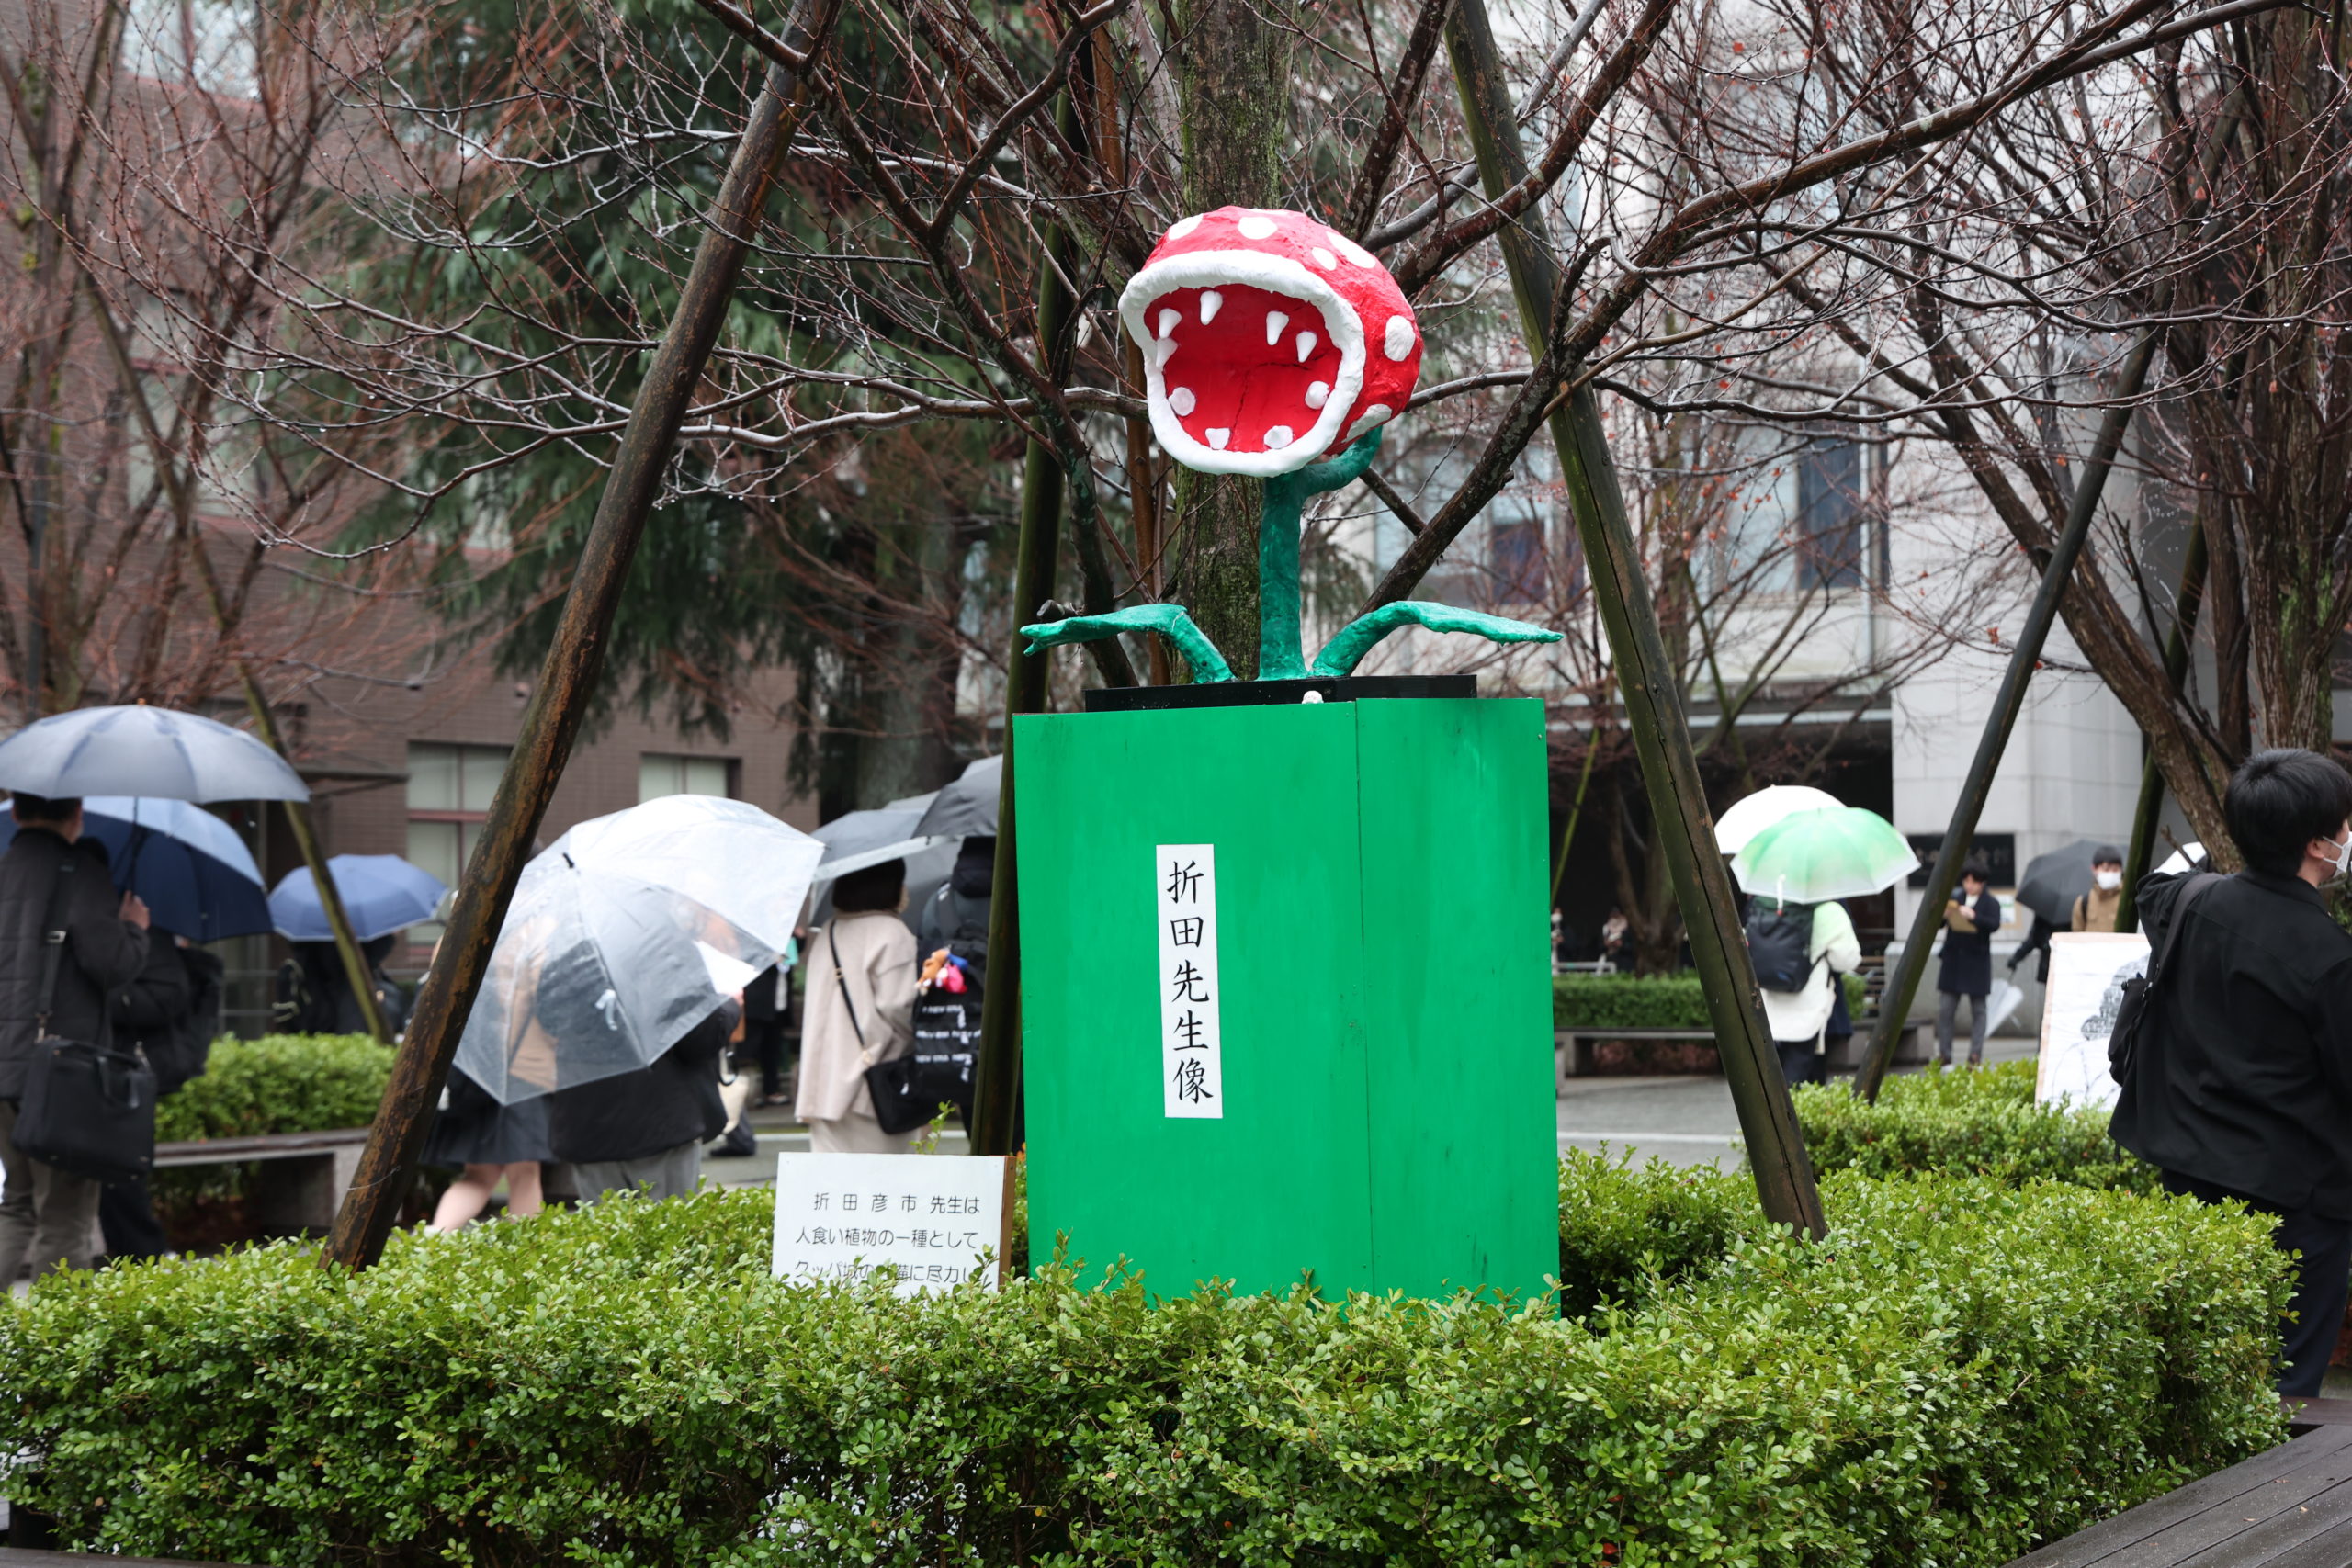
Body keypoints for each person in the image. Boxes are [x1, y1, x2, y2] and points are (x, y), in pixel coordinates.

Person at [2112, 749, 2352, 1398]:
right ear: (2317, 843)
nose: (2348, 836)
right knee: (2285, 1381)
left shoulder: (2190, 904)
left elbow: (2150, 890)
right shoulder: (2327, 957)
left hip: (2188, 1173)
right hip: (2296, 1199)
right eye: (2344, 825)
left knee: (2198, 1373)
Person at [0, 793, 150, 1281]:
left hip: (4, 1069)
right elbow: (112, 967)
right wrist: (134, 930)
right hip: (60, 1072)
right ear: (77, 815)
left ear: (16, 812)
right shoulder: (81, 872)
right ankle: (54, 1352)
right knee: (65, 1215)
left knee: (16, 1205)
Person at [547, 996, 738, 1203]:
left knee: (605, 1229)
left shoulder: (566, 966)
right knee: (669, 1226)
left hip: (587, 1118)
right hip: (660, 1119)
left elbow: (550, 1021)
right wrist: (731, 1005)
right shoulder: (665, 964)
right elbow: (700, 1039)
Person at [100, 929, 219, 1260]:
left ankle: (145, 1252)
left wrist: (100, 997)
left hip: (125, 1071)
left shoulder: (153, 940)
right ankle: (136, 1252)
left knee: (124, 1166)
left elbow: (167, 997)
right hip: (93, 1067)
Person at [797, 858, 919, 1154]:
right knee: (886, 1190)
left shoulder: (829, 930)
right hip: (875, 1087)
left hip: (823, 1086)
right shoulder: (892, 933)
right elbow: (900, 1007)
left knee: (833, 1191)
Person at [422, 1066, 550, 1230]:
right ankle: (528, 1246)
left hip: (477, 1086)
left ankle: (437, 1235)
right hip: (517, 1086)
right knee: (524, 1174)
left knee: (479, 1177)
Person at [1753, 897, 1861, 1088]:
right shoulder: (1829, 911)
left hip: (1770, 1008)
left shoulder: (1767, 905)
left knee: (1772, 1078)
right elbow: (1847, 960)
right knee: (1800, 1079)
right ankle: (1790, 1116)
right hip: (1808, 1010)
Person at [1935, 857, 2002, 1068]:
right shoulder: (1955, 897)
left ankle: (1975, 1055)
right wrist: (1944, 914)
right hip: (1953, 960)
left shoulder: (1991, 903)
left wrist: (1974, 916)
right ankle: (1944, 1054)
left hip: (1976, 962)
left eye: (1973, 881)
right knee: (1946, 1010)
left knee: (1979, 1011)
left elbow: (1994, 924)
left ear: (1982, 882)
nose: (1969, 886)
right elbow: (1938, 923)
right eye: (1966, 881)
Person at [2071, 845, 2127, 932]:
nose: (2111, 873)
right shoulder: (2084, 901)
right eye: (2106, 869)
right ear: (2094, 869)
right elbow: (2077, 934)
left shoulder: (2128, 900)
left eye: (2115, 870)